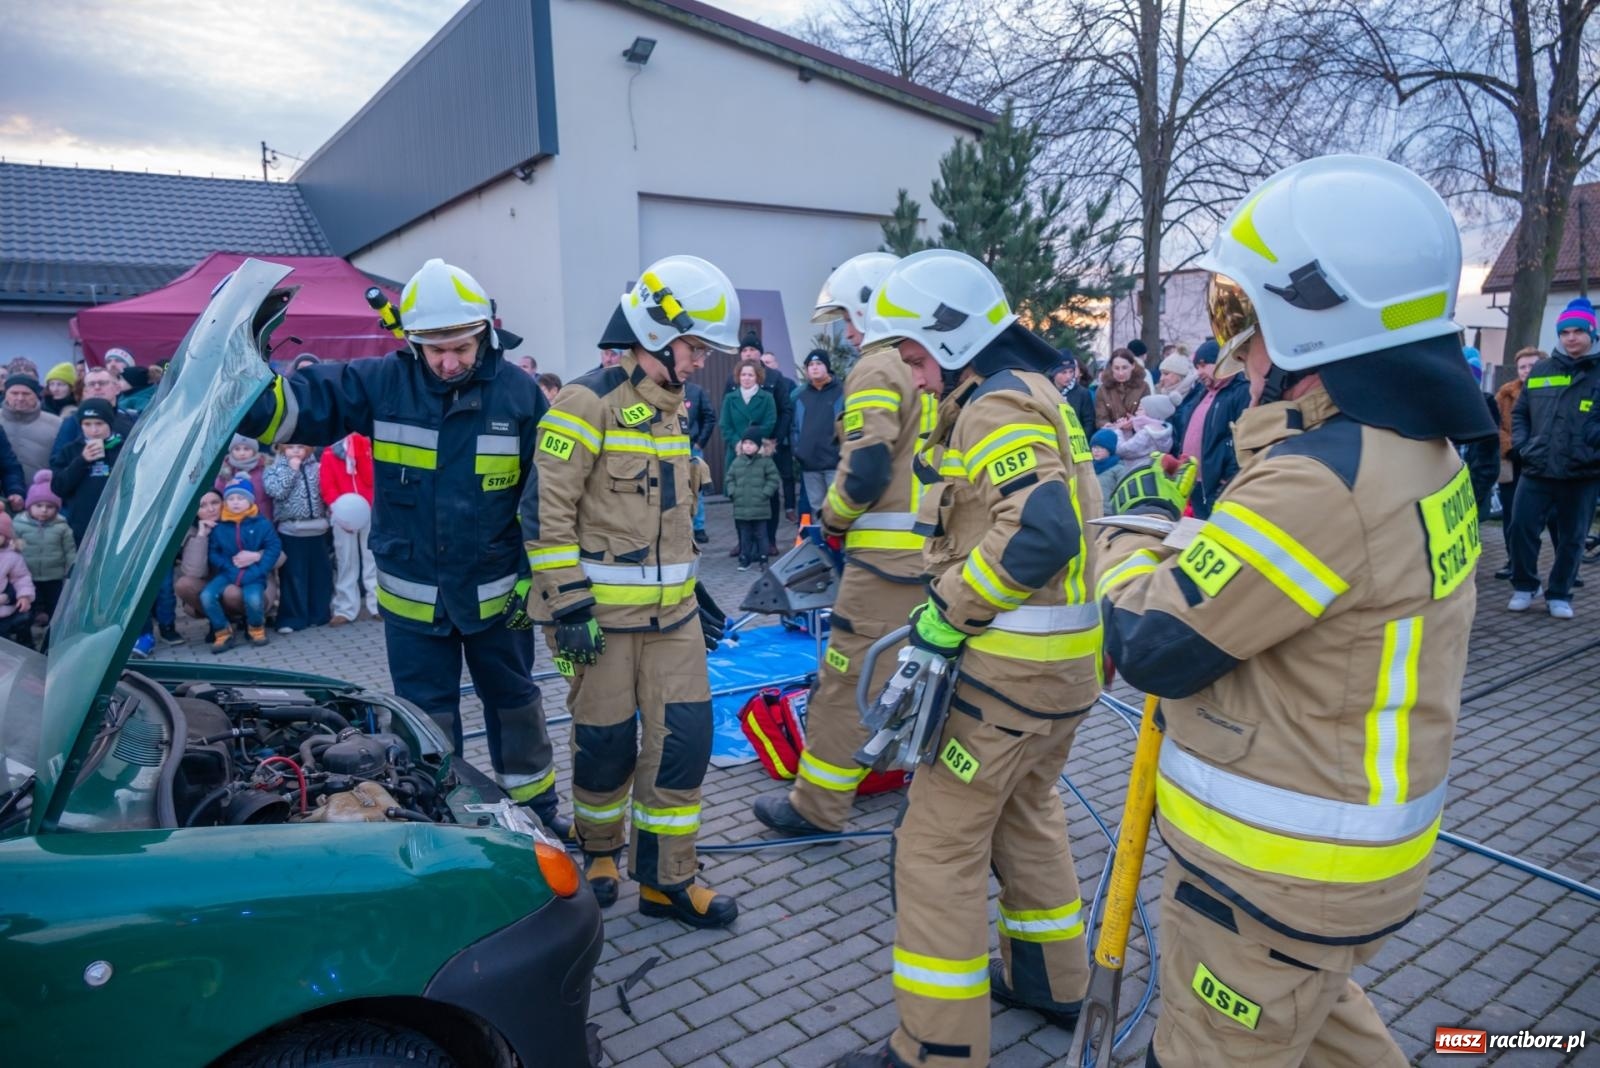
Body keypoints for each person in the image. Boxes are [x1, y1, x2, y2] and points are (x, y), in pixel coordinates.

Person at [1095, 155, 1492, 1068]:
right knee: (1326, 1036)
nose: (1239, 351)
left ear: (1317, 324)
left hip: (1270, 875)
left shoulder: (1320, 481)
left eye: (1245, 320)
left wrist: (1131, 532)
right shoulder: (1417, 452)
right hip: (1338, 864)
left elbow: (1153, 642)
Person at [835, 249, 1102, 1068]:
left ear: (950, 344)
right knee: (1027, 817)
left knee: (934, 851)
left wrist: (947, 615)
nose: (913, 379)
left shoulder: (993, 409)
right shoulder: (1041, 395)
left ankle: (936, 1048)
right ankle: (1053, 982)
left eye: (915, 358)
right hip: (1063, 678)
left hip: (1004, 681)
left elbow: (1043, 530)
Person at [239, 257, 567, 835]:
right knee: (423, 724)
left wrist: (531, 580)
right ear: (412, 341)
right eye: (434, 349)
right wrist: (242, 363)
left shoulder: (519, 396)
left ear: (486, 333)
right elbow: (287, 412)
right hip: (415, 607)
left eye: (461, 348)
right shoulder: (382, 383)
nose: (448, 362)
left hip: (500, 602)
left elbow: (544, 499)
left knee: (517, 709)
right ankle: (442, 826)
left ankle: (537, 819)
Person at [512, 253, 741, 928]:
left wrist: (692, 586)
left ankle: (669, 880)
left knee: (683, 744)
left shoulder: (674, 411)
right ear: (656, 334)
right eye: (695, 346)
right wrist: (568, 605)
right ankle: (601, 851)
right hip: (597, 624)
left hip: (673, 621)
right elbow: (544, 512)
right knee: (605, 744)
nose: (701, 360)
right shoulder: (587, 402)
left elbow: (667, 516)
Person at [752, 251, 947, 839]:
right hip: (941, 561)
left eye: (848, 319)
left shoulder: (879, 366)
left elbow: (864, 470)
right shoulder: (938, 363)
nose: (849, 334)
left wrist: (831, 520)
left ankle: (817, 809)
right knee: (927, 675)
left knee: (845, 683)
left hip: (884, 567)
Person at [1507, 296, 1600, 619]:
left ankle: (1559, 594)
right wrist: (1523, 446)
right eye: (1565, 332)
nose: (1571, 338)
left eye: (1578, 331)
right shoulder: (1542, 370)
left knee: (1572, 538)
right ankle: (1525, 585)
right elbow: (1520, 413)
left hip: (1582, 473)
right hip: (1537, 467)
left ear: (1591, 332)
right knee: (1520, 528)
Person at [176, 490, 283, 636]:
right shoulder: (194, 531)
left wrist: (257, 556)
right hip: (218, 584)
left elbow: (280, 555)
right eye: (202, 506)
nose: (210, 509)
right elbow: (194, 573)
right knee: (184, 585)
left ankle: (251, 621)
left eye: (215, 503)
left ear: (224, 503)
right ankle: (220, 623)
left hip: (253, 581)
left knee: (231, 592)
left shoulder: (248, 519)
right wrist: (201, 537)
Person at [1168, 338, 1251, 519]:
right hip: (1194, 483)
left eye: (1204, 365)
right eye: (1197, 367)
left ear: (1222, 362)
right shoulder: (1202, 392)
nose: (1199, 372)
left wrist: (1227, 479)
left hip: (1218, 486)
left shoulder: (1241, 391)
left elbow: (1242, 439)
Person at [201, 478, 282, 652]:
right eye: (231, 499)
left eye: (241, 498)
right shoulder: (220, 526)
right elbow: (214, 552)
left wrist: (261, 567)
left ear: (250, 501)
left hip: (254, 572)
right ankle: (222, 632)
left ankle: (255, 628)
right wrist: (227, 565)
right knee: (207, 595)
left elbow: (274, 547)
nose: (235, 502)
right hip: (228, 572)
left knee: (253, 599)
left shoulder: (261, 523)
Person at [264, 443, 333, 633]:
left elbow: (327, 490)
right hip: (291, 530)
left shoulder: (318, 467)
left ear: (309, 449)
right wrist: (291, 471)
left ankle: (319, 615)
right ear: (282, 449)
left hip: (318, 529)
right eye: (291, 447)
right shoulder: (274, 469)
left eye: (300, 447)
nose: (295, 450)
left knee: (320, 575)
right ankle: (292, 618)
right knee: (293, 576)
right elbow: (276, 491)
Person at [1494, 347, 1544, 577]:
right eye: (1522, 367)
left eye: (1532, 366)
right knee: (1512, 515)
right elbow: (1495, 425)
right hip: (1512, 463)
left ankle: (1567, 569)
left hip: (1543, 462)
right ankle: (1513, 560)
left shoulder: (1552, 391)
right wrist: (1510, 447)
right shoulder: (1505, 394)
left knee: (1551, 517)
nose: (1526, 370)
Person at [320, 432, 377, 625]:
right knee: (345, 562)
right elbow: (327, 484)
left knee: (372, 560)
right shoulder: (329, 452)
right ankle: (345, 608)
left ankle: (378, 604)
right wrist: (339, 511)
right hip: (342, 514)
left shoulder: (368, 449)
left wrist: (361, 454)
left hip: (369, 510)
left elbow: (370, 480)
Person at [51, 398, 121, 543]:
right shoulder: (70, 450)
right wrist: (82, 461)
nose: (94, 430)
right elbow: (58, 487)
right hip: (82, 525)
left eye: (99, 424)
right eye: (87, 424)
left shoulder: (124, 449)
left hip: (117, 520)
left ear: (109, 423)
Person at [14, 471, 74, 633]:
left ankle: (52, 629)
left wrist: (71, 569)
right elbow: (13, 549)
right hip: (29, 574)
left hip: (53, 575)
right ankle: (30, 629)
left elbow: (69, 551)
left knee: (54, 603)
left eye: (49, 506)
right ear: (29, 506)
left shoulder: (62, 527)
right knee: (31, 603)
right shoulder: (19, 525)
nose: (44, 510)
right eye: (39, 506)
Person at [792, 349, 844, 513]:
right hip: (810, 465)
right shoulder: (800, 396)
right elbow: (794, 427)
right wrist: (798, 451)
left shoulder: (842, 392)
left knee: (837, 509)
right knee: (817, 510)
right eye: (811, 365)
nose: (814, 367)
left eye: (819, 363)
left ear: (827, 366)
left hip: (835, 463)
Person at [725, 428, 780, 570]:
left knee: (762, 535)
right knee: (745, 535)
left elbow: (773, 479)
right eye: (745, 443)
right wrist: (733, 492)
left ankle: (763, 559)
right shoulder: (737, 462)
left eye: (751, 443)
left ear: (759, 446)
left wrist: (765, 493)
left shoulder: (766, 462)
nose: (748, 446)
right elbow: (729, 478)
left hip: (760, 507)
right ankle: (745, 559)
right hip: (742, 508)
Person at [761, 349, 799, 544]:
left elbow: (790, 410)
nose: (767, 365)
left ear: (776, 364)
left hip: (782, 440)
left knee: (787, 475)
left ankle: (790, 508)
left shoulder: (788, 384)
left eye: (770, 362)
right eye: (764, 362)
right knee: (769, 478)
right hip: (766, 441)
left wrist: (781, 435)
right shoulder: (760, 384)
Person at [719, 359, 777, 476]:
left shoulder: (767, 398)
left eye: (750, 375)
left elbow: (770, 423)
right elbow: (725, 425)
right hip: (735, 452)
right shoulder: (730, 398)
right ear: (738, 377)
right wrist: (738, 443)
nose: (746, 378)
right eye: (743, 374)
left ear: (757, 377)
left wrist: (752, 442)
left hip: (759, 451)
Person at [0, 375, 61, 483]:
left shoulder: (56, 424)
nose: (20, 398)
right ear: (6, 395)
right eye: (14, 393)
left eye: (26, 394)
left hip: (41, 491)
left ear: (36, 395)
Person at [683, 378, 716, 544]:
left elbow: (710, 417)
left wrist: (700, 442)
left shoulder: (696, 391)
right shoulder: (660, 388)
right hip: (667, 449)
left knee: (696, 488)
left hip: (692, 448)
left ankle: (699, 528)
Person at [215, 435, 274, 522]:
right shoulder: (225, 470)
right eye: (237, 449)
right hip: (233, 521)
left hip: (263, 519)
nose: (242, 453)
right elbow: (218, 494)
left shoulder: (265, 467)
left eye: (246, 449)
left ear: (254, 450)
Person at [0, 514, 35, 648]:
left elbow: (21, 577)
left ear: (6, 537)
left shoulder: (11, 557)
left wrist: (24, 596)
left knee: (4, 643)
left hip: (3, 611)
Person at [1094, 348, 1150, 428]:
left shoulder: (1143, 387)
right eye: (1117, 368)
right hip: (1113, 433)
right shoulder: (1102, 390)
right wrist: (1112, 426)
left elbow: (1146, 415)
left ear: (1133, 366)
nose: (1121, 373)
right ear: (1111, 368)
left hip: (1137, 432)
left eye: (1124, 368)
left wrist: (1135, 421)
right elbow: (1101, 419)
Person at [1114, 392, 1176, 460]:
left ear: (1151, 413)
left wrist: (1118, 430)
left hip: (1139, 466)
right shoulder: (1163, 432)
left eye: (1140, 409)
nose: (1136, 413)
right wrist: (1127, 431)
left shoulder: (1145, 434)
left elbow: (1121, 451)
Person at [1053, 354, 1096, 435]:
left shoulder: (1083, 393)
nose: (1068, 376)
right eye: (1063, 372)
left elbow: (1089, 423)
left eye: (1071, 371)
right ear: (1054, 373)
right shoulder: (1047, 391)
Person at [1090, 427, 1127, 499]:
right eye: (1094, 447)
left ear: (1110, 449)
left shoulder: (1119, 469)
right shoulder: (1090, 468)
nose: (1096, 451)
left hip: (1110, 506)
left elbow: (1123, 492)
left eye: (1101, 447)